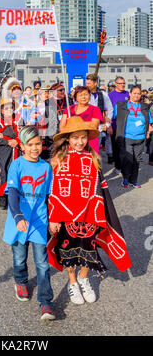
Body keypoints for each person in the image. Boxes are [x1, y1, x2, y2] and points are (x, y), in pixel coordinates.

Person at [47, 116, 131, 305]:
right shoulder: (58, 160)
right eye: (75, 138)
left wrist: (98, 214)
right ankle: (73, 282)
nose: (80, 142)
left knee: (88, 248)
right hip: (66, 215)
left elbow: (99, 190)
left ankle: (84, 279)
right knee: (68, 250)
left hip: (88, 214)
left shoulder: (93, 158)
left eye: (83, 137)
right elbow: (54, 192)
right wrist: (54, 218)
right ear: (68, 138)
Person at [3, 126, 55, 321]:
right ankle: (21, 281)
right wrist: (17, 216)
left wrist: (54, 219)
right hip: (19, 221)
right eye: (30, 144)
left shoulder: (46, 167)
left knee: (42, 262)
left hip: (40, 220)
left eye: (38, 144)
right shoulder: (16, 165)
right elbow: (13, 192)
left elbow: (50, 196)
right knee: (19, 257)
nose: (35, 148)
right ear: (22, 146)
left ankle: (45, 302)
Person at [113, 85, 153, 188]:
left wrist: (148, 131)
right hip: (127, 137)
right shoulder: (121, 105)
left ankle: (134, 180)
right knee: (128, 160)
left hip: (140, 138)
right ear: (130, 94)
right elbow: (113, 117)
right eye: (134, 93)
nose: (136, 95)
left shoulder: (144, 106)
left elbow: (149, 121)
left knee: (137, 160)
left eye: (138, 93)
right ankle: (126, 178)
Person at [0, 98, 23, 209]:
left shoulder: (19, 119)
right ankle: (3, 198)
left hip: (17, 150)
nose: (9, 110)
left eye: (11, 107)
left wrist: (16, 140)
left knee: (15, 174)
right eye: (6, 108)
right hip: (2, 152)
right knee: (4, 174)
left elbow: (23, 135)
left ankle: (14, 199)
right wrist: (10, 140)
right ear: (2, 111)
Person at [59, 86, 103, 153]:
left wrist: (73, 122)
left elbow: (93, 125)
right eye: (80, 95)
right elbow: (62, 127)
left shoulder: (95, 109)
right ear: (75, 97)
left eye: (86, 94)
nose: (83, 97)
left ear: (89, 96)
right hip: (73, 143)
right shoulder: (69, 109)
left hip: (90, 143)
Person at [108, 76, 129, 170]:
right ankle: (118, 167)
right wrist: (109, 126)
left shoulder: (128, 94)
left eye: (124, 83)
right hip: (115, 126)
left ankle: (125, 166)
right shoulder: (110, 95)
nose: (123, 85)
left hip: (127, 126)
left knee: (125, 148)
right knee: (116, 148)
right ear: (116, 84)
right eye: (120, 83)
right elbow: (107, 112)